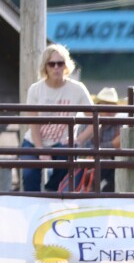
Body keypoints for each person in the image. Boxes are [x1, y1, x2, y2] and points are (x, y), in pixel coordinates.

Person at [20, 44, 93, 192]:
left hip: (63, 144)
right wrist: (40, 149)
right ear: (45, 67)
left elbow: (95, 120)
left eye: (60, 63)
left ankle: (50, 193)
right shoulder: (35, 89)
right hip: (35, 141)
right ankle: (32, 205)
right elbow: (33, 125)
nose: (56, 68)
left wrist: (79, 140)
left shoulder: (77, 89)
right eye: (52, 64)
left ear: (66, 66)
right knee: (29, 173)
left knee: (68, 162)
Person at [74, 87, 125, 192]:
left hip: (108, 165)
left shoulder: (119, 125)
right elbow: (85, 149)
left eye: (112, 105)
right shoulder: (87, 124)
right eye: (105, 104)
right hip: (92, 166)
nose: (109, 109)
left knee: (118, 170)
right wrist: (112, 144)